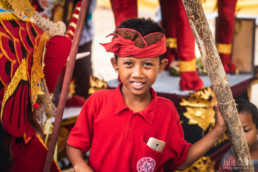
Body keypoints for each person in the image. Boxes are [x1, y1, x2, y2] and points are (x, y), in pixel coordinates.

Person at [66, 18, 226, 172]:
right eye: (128, 63)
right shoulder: (98, 102)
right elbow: (74, 144)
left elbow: (181, 161)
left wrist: (218, 130)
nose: (138, 73)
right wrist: (80, 166)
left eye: (147, 64)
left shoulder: (166, 111)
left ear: (161, 66)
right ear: (115, 65)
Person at [219, 98, 258, 171]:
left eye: (246, 130)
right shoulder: (228, 162)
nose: (240, 138)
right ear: (227, 135)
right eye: (233, 133)